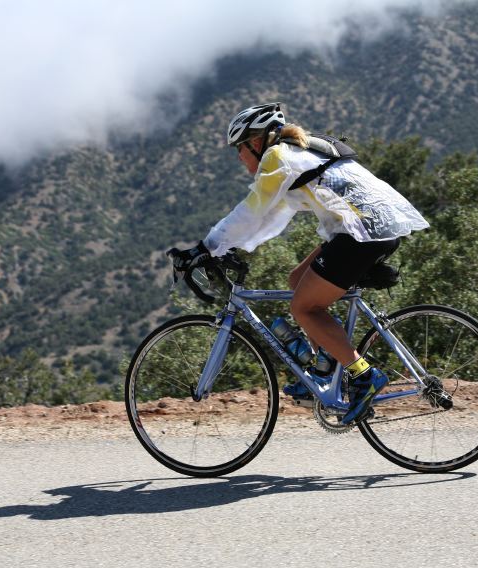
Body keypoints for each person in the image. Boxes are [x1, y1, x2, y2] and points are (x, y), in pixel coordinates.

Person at [173, 103, 429, 425]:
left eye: (240, 148)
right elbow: (269, 218)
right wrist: (222, 247)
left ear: (257, 142)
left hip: (364, 231)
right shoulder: (291, 157)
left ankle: (364, 375)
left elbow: (251, 211)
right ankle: (325, 365)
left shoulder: (278, 157)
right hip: (364, 227)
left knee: (303, 308)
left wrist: (205, 247)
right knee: (298, 281)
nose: (239, 156)